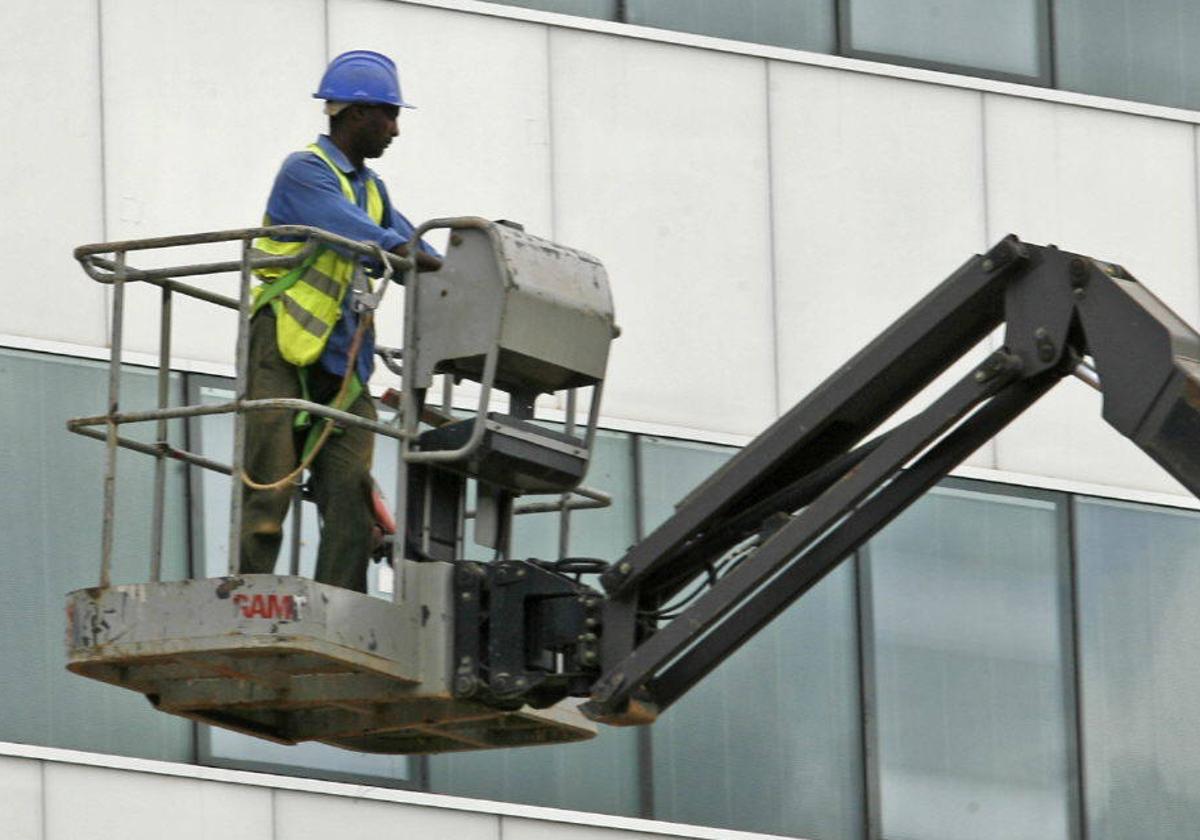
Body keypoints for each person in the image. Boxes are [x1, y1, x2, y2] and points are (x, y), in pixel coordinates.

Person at [239, 50, 440, 592]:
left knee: (350, 495)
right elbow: (363, 234)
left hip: (344, 363)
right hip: (283, 346)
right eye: (388, 114)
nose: (395, 129)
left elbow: (409, 243)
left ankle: (338, 605)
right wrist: (412, 254)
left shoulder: (373, 188)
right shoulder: (306, 172)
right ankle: (248, 592)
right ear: (355, 114)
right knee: (270, 484)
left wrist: (461, 268)